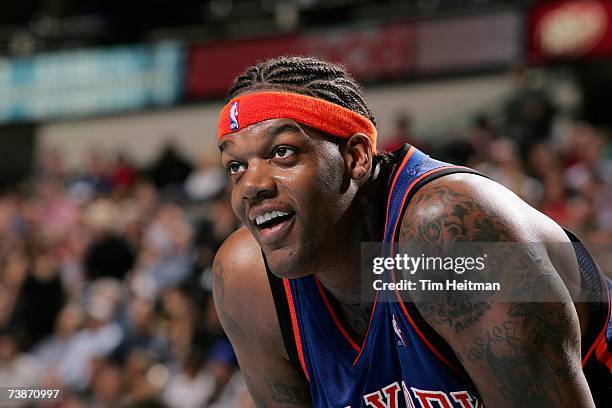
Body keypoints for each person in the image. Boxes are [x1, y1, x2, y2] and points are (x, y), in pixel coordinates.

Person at [213, 56, 611, 407]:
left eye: (282, 152)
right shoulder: (249, 281)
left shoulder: (446, 233)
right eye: (236, 167)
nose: (251, 186)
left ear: (355, 157)